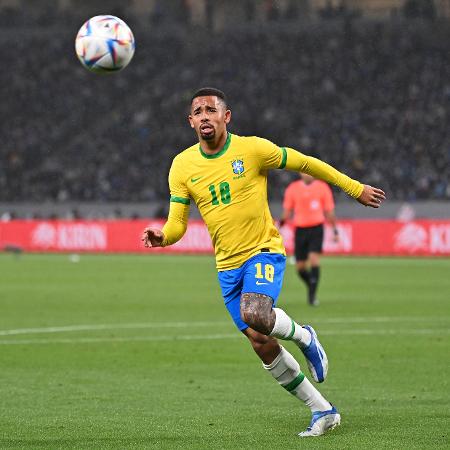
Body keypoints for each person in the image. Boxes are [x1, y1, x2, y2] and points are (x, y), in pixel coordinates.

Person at [142, 87, 385, 437]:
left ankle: (304, 336)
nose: (204, 115)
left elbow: (305, 163)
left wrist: (352, 187)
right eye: (198, 111)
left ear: (227, 117)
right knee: (261, 342)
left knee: (255, 312)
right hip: (226, 267)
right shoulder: (182, 165)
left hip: (263, 250)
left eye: (212, 109)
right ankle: (322, 410)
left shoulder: (252, 149)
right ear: (190, 121)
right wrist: (163, 236)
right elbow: (178, 222)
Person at [280, 172, 339, 306]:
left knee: (314, 259)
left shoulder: (322, 187)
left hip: (316, 228)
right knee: (300, 267)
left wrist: (335, 230)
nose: (308, 175)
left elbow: (329, 210)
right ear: (300, 173)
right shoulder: (293, 188)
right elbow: (287, 210)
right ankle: (311, 283)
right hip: (300, 230)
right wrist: (281, 224)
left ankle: (312, 296)